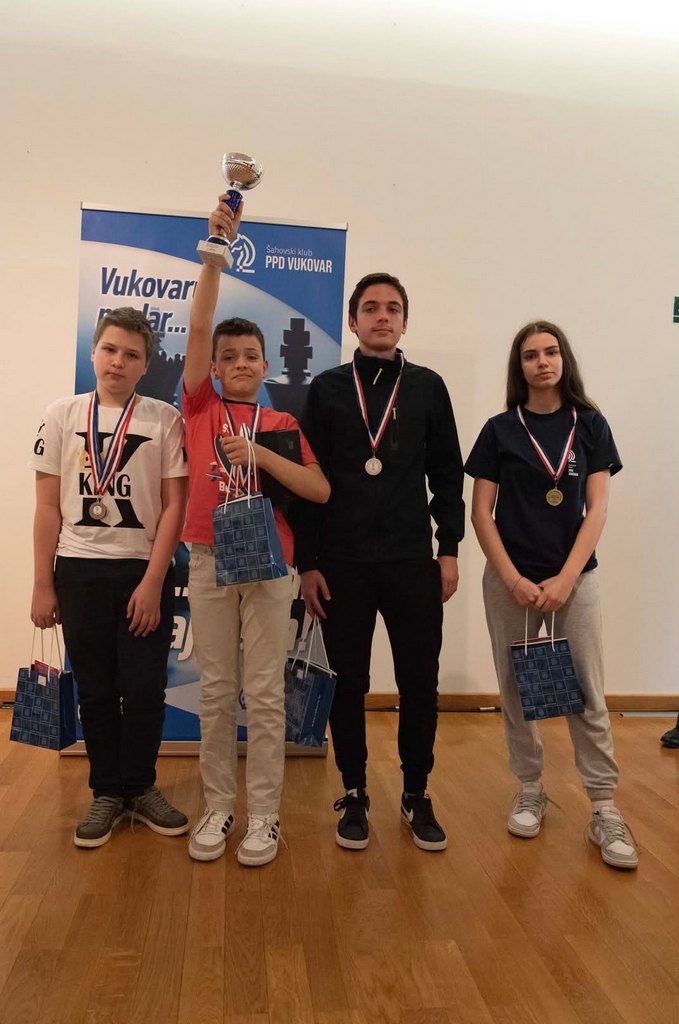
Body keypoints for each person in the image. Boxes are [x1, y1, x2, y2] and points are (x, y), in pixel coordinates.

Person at [183, 195, 330, 867]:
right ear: (215, 369)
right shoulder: (199, 407)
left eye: (251, 356)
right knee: (217, 692)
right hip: (210, 558)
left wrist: (262, 457)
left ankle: (265, 816)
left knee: (265, 694)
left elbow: (319, 489)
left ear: (267, 366)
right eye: (229, 356)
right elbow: (199, 324)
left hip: (271, 565)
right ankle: (219, 806)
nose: (240, 363)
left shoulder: (282, 424)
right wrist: (216, 253)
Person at [296, 272, 464, 852]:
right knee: (348, 683)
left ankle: (416, 791)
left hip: (412, 560)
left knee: (420, 680)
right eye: (370, 308)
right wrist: (307, 562)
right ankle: (354, 791)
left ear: (405, 322)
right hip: (341, 564)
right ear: (353, 321)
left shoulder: (427, 387)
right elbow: (307, 482)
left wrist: (448, 549)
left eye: (393, 308)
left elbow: (447, 474)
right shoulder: (326, 389)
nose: (382, 316)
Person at [466, 320, 638, 869]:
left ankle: (604, 806)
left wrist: (566, 578)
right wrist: (513, 578)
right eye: (531, 355)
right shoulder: (499, 429)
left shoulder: (591, 425)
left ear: (564, 360)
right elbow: (481, 513)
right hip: (510, 582)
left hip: (575, 580)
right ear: (518, 367)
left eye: (551, 352)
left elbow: (598, 509)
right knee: (517, 688)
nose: (542, 362)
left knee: (586, 691)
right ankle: (530, 788)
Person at [30, 307, 189, 848]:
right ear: (94, 352)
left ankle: (139, 786)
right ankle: (105, 791)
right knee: (95, 688)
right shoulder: (61, 415)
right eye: (110, 349)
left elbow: (174, 506)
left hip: (142, 571)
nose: (118, 361)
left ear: (146, 365)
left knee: (144, 687)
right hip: (78, 571)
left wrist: (153, 581)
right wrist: (43, 583)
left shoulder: (165, 420)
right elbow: (46, 507)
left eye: (132, 355)